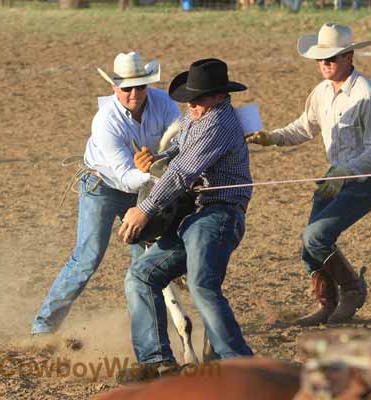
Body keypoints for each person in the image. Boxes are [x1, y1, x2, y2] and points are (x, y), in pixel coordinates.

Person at [247, 23, 371, 326]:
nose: (325, 63)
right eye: (321, 58)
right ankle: (327, 303)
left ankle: (352, 289)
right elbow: (305, 127)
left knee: (316, 236)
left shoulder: (368, 95)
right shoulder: (321, 92)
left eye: (333, 57)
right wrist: (272, 137)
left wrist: (346, 170)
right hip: (336, 177)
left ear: (349, 57)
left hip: (366, 181)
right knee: (308, 246)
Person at [117, 58, 253, 380]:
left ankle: (240, 365)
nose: (191, 102)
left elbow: (182, 173)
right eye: (191, 96)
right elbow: (176, 153)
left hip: (218, 214)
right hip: (194, 216)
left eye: (200, 97)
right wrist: (156, 158)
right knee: (141, 275)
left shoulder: (218, 122)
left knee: (202, 284)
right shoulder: (197, 118)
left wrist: (144, 209)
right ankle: (157, 361)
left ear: (220, 96)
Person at [30, 52, 181, 335]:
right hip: (102, 186)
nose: (134, 93)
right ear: (115, 88)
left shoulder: (164, 103)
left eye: (140, 86)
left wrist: (159, 158)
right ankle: (44, 326)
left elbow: (180, 134)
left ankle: (146, 333)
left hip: (145, 185)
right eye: (127, 88)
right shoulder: (105, 121)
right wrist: (155, 173)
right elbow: (124, 177)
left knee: (145, 263)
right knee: (87, 257)